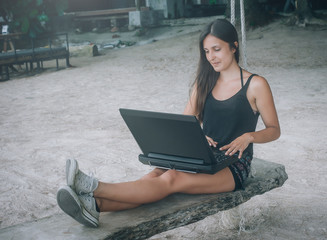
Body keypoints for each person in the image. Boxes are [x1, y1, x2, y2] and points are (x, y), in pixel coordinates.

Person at [56, 19, 280, 228]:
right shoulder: (204, 84)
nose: (211, 57)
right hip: (202, 155)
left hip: (233, 166)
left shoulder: (255, 84)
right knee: (152, 177)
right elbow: (185, 124)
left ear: (234, 46)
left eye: (217, 49)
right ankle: (95, 206)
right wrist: (198, 137)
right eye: (206, 51)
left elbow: (274, 130)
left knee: (171, 178)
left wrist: (249, 136)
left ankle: (93, 187)